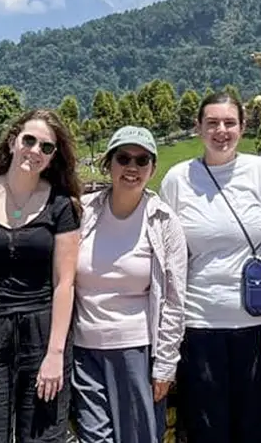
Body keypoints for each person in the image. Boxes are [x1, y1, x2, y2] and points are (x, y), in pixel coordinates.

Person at [159, 92, 261, 443]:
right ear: (198, 128)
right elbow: (169, 259)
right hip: (200, 323)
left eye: (229, 123)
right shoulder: (178, 179)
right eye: (212, 123)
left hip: (256, 325)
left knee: (259, 425)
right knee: (207, 426)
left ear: (243, 127)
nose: (221, 131)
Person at [0, 109, 83, 443]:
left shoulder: (60, 205)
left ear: (53, 157)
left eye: (47, 147)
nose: (35, 151)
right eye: (29, 140)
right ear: (13, 142)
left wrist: (55, 353)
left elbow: (64, 283)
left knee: (43, 437)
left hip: (43, 334)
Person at [72, 126, 188, 443]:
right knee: (94, 438)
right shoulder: (82, 212)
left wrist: (165, 364)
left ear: (153, 167)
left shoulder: (163, 221)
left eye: (142, 160)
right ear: (108, 164)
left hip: (136, 350)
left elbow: (175, 301)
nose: (132, 167)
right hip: (85, 351)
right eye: (123, 158)